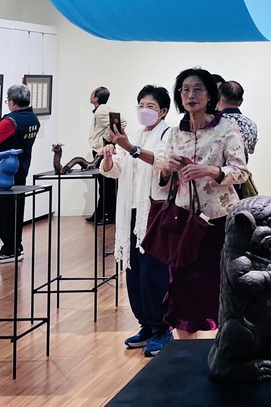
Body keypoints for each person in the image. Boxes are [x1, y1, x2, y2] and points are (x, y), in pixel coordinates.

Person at [154, 68, 249, 339]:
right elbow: (163, 181)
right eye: (185, 89)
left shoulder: (225, 129)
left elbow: (241, 172)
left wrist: (210, 170)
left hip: (218, 221)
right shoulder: (174, 133)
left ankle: (225, 346)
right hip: (183, 221)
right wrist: (166, 168)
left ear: (210, 95)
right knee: (182, 287)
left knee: (218, 285)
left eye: (197, 89)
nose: (190, 95)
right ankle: (186, 350)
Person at [99, 85, 173, 355]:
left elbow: (163, 162)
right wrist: (109, 157)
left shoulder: (168, 134)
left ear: (163, 111)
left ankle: (162, 326)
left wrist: (129, 147)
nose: (144, 110)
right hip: (129, 209)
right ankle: (146, 324)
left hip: (153, 210)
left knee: (154, 270)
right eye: (140, 105)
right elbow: (114, 170)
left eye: (150, 106)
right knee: (133, 270)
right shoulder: (137, 135)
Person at [0, 84, 40, 264]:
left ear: (12, 102)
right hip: (20, 170)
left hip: (2, 174)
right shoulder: (33, 119)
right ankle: (15, 247)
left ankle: (10, 249)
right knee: (16, 210)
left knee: (2, 211)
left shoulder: (11, 122)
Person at [86, 86, 117, 224]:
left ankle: (106, 213)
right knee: (105, 183)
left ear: (96, 98)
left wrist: (106, 138)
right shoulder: (103, 109)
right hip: (103, 149)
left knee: (105, 183)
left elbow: (120, 123)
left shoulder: (101, 110)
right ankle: (101, 213)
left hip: (102, 150)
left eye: (92, 93)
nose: (90, 95)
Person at [216, 80, 258, 163]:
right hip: (240, 170)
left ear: (218, 98)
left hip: (217, 170)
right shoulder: (251, 125)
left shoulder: (215, 122)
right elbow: (251, 150)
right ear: (241, 102)